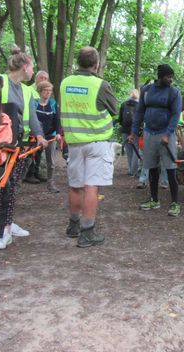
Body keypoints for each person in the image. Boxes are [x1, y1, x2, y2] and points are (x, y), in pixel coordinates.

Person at [60, 46, 117, 247]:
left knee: (75, 185)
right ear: (96, 64)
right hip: (96, 143)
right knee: (91, 186)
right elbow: (114, 109)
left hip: (74, 142)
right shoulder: (100, 85)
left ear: (78, 62)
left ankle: (73, 226)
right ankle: (87, 232)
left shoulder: (65, 83)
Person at [0, 47, 49, 250]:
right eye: (32, 67)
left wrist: (40, 136)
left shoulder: (27, 91)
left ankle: (6, 227)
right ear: (24, 67)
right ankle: (5, 227)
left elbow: (32, 117)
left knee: (10, 186)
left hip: (19, 145)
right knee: (0, 186)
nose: (33, 71)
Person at [129, 64, 182, 217]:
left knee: (171, 169)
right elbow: (139, 112)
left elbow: (175, 115)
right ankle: (154, 199)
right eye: (168, 76)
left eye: (172, 76)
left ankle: (175, 203)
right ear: (160, 76)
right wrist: (134, 132)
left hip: (166, 134)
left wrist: (168, 133)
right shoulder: (147, 90)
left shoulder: (174, 93)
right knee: (151, 167)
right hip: (149, 133)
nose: (170, 79)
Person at [29, 80, 61, 192]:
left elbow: (57, 120)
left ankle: (51, 184)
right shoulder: (34, 103)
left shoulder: (53, 104)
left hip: (51, 136)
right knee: (29, 159)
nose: (48, 92)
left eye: (49, 90)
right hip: (36, 136)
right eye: (45, 90)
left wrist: (57, 133)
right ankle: (21, 181)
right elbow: (31, 119)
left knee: (51, 162)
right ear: (40, 91)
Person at [118, 89, 140, 175]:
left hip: (125, 129)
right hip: (135, 130)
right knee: (136, 149)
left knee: (129, 150)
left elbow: (120, 118)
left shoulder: (123, 104)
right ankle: (134, 171)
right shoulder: (139, 105)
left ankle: (131, 169)